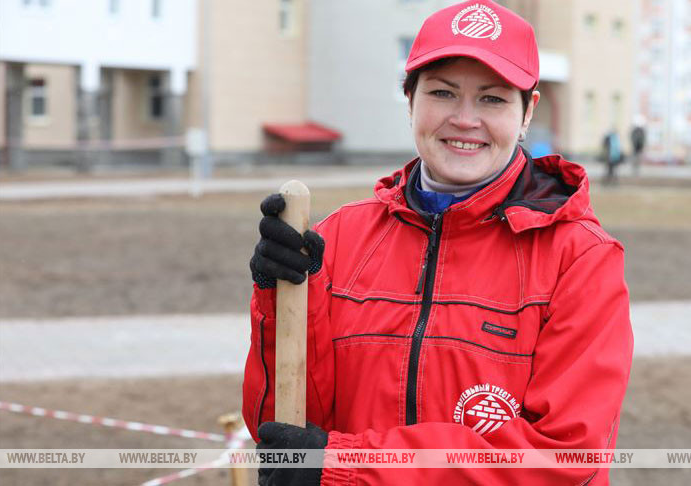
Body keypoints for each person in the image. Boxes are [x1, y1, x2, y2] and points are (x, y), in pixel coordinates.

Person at [244, 1, 633, 484]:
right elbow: (287, 422)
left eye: (492, 98)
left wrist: (346, 467)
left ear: (527, 111)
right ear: (410, 99)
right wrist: (276, 301)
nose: (465, 119)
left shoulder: (580, 257)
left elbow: (561, 455)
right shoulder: (338, 238)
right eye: (443, 93)